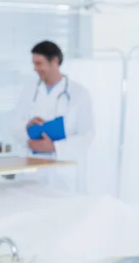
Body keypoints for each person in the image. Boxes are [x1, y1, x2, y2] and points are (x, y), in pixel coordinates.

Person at [11, 40, 95, 193]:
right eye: (34, 64)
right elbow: (15, 125)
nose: (35, 69)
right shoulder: (29, 91)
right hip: (32, 170)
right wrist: (27, 127)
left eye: (39, 63)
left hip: (62, 173)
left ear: (55, 61)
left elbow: (87, 135)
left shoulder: (79, 94)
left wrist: (54, 147)